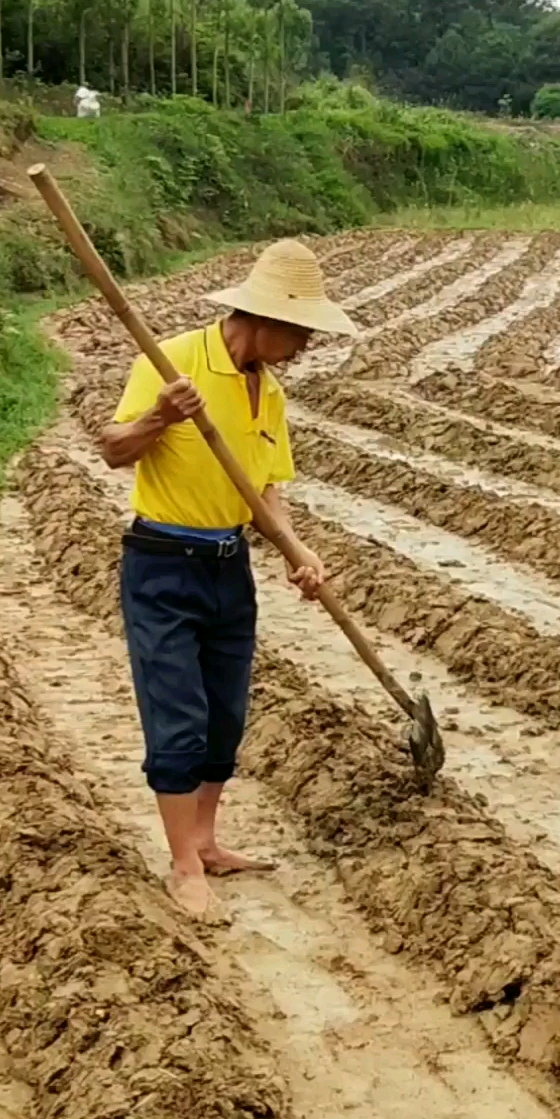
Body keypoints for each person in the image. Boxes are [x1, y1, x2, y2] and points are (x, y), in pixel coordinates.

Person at [99, 237, 357, 920]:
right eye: (299, 329)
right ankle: (183, 866)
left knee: (224, 717)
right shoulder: (174, 361)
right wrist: (161, 415)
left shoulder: (267, 392)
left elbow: (267, 493)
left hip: (227, 564)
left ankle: (207, 841)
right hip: (161, 562)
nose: (304, 342)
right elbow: (112, 450)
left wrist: (300, 553)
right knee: (177, 716)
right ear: (263, 318)